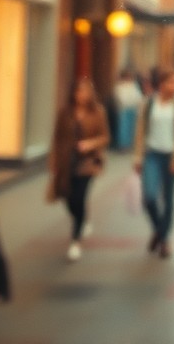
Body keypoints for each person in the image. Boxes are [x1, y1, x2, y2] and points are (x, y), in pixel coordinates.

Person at [48, 77, 110, 262]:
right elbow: (57, 137)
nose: (81, 95)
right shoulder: (65, 112)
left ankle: (75, 241)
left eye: (85, 91)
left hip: (87, 162)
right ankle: (82, 218)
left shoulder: (98, 111)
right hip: (67, 161)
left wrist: (90, 144)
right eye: (78, 91)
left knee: (79, 197)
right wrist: (53, 159)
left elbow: (105, 137)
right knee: (67, 198)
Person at [133, 68, 174, 259]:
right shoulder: (148, 103)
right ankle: (159, 230)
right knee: (149, 196)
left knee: (168, 199)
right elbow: (140, 131)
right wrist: (138, 157)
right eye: (171, 82)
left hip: (171, 156)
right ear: (161, 84)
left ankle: (164, 240)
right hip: (152, 155)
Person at [113, 70, 143, 152]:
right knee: (123, 127)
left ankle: (129, 144)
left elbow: (138, 97)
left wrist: (138, 106)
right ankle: (122, 144)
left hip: (133, 109)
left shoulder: (134, 86)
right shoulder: (119, 87)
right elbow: (119, 98)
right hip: (124, 109)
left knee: (131, 127)